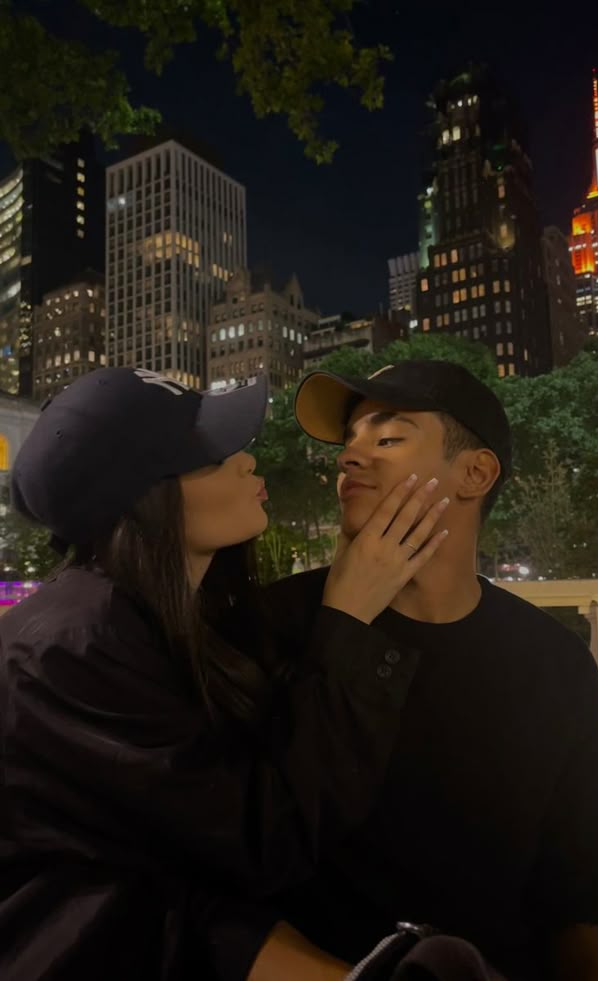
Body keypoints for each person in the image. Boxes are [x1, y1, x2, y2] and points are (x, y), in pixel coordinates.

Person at [0, 366, 452, 981]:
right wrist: (347, 616)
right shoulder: (72, 648)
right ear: (145, 498)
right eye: (213, 455)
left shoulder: (163, 618)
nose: (247, 461)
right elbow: (259, 841)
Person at [262, 360, 598, 981]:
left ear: (475, 473)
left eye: (386, 437)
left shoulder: (552, 661)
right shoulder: (270, 627)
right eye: (349, 442)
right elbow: (231, 871)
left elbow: (582, 884)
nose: (349, 458)